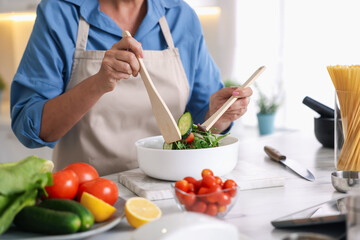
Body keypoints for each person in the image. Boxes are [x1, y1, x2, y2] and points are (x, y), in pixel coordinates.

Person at [11, 0, 253, 176]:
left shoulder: (181, 16)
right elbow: (31, 127)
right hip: (88, 198)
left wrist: (219, 114)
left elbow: (200, 122)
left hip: (171, 192)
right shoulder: (59, 12)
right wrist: (98, 83)